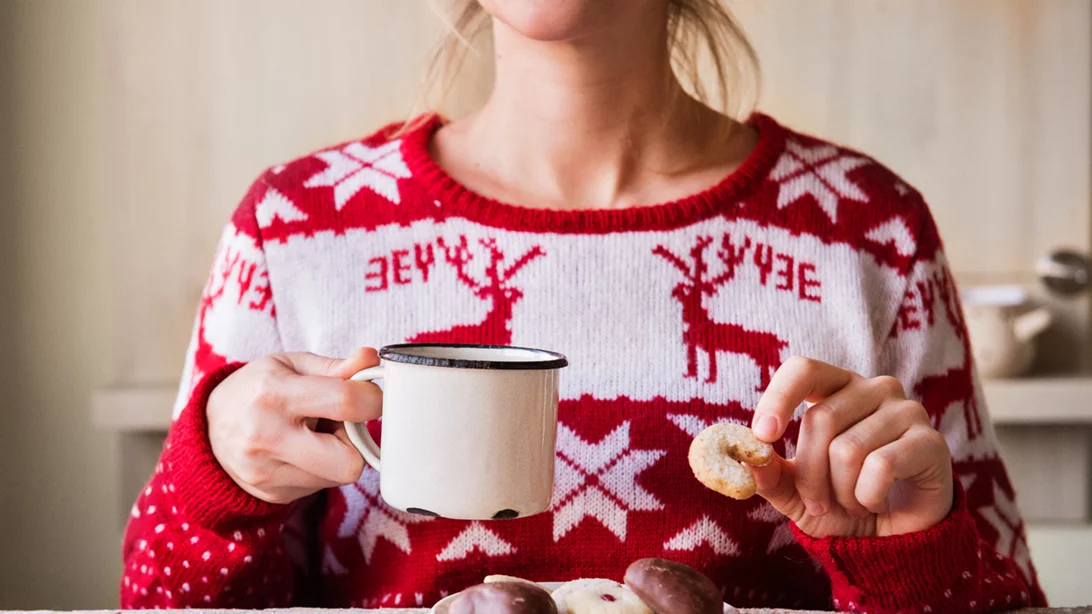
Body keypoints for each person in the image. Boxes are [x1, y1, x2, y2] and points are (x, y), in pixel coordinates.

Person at [121, 1, 1046, 612]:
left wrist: (908, 560)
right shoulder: (295, 230)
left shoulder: (867, 229)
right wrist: (214, 492)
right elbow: (158, 600)